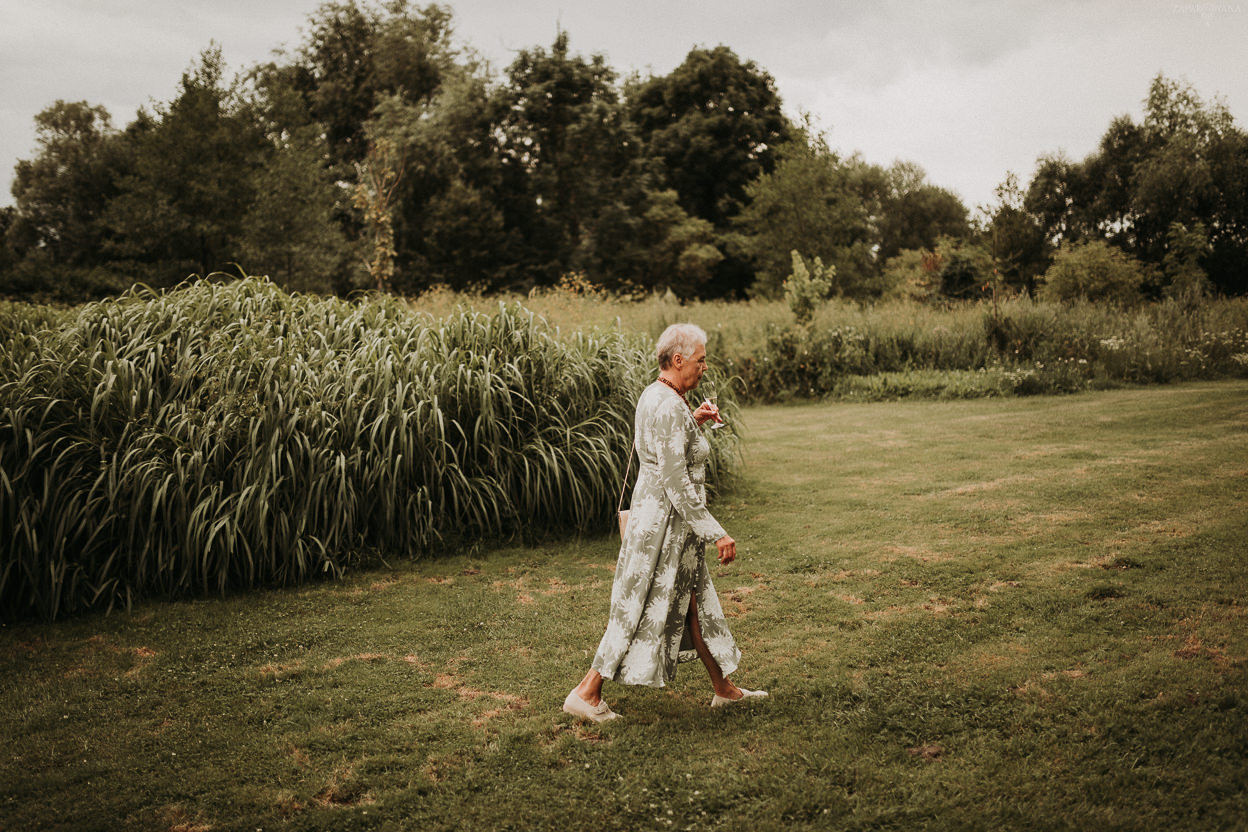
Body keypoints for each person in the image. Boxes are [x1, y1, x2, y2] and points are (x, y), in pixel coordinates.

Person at [563, 323, 767, 722]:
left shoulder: (656, 395)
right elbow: (676, 483)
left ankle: (724, 690)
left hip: (657, 522)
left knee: (694, 604)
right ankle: (587, 691)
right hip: (664, 531)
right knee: (635, 606)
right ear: (678, 360)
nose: (704, 368)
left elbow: (660, 448)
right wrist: (717, 532)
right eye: (700, 360)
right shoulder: (670, 406)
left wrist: (694, 422)